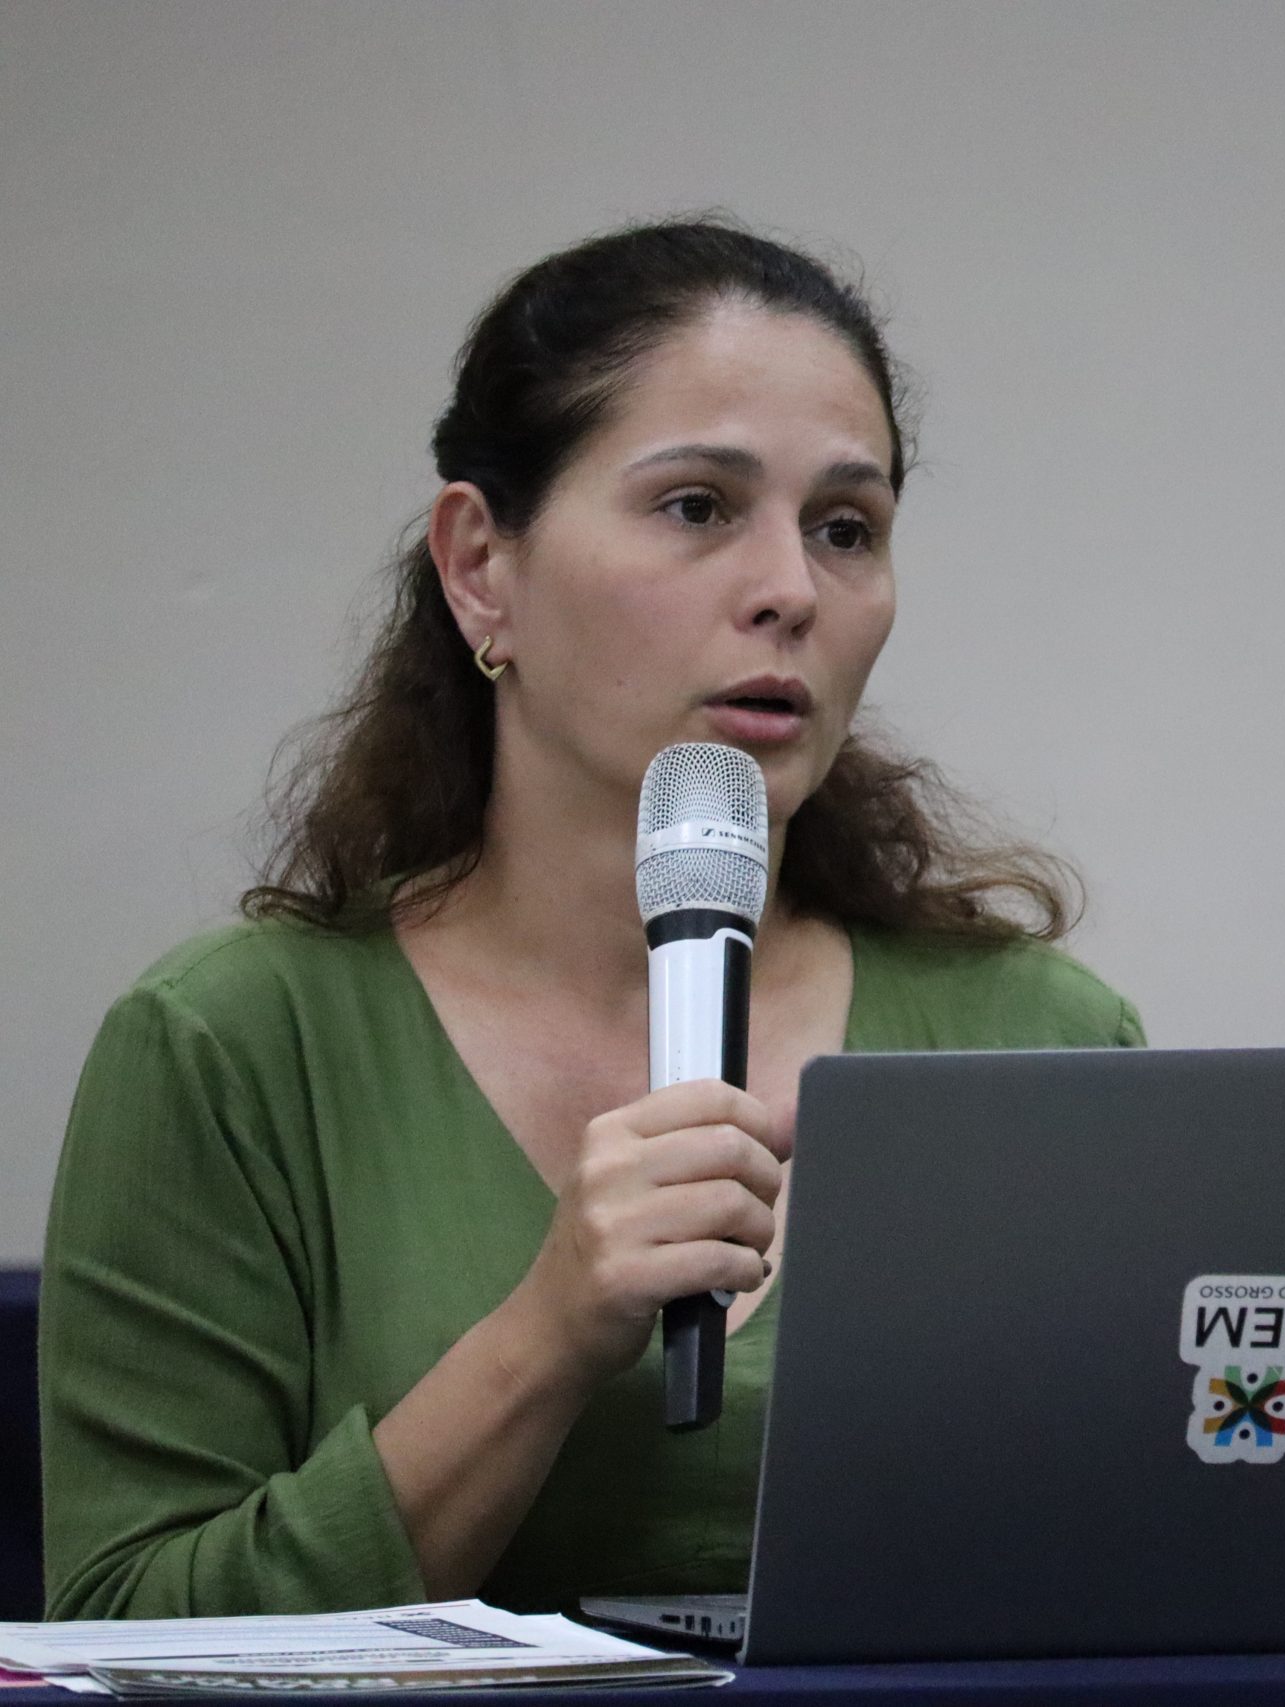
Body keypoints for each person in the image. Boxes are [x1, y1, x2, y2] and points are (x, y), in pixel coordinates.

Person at [39, 218, 1145, 1620]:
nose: (789, 591)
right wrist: (550, 1332)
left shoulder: (1039, 1042)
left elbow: (1149, 1594)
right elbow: (124, 1639)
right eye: (696, 507)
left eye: (845, 530)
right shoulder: (234, 1043)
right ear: (479, 568)